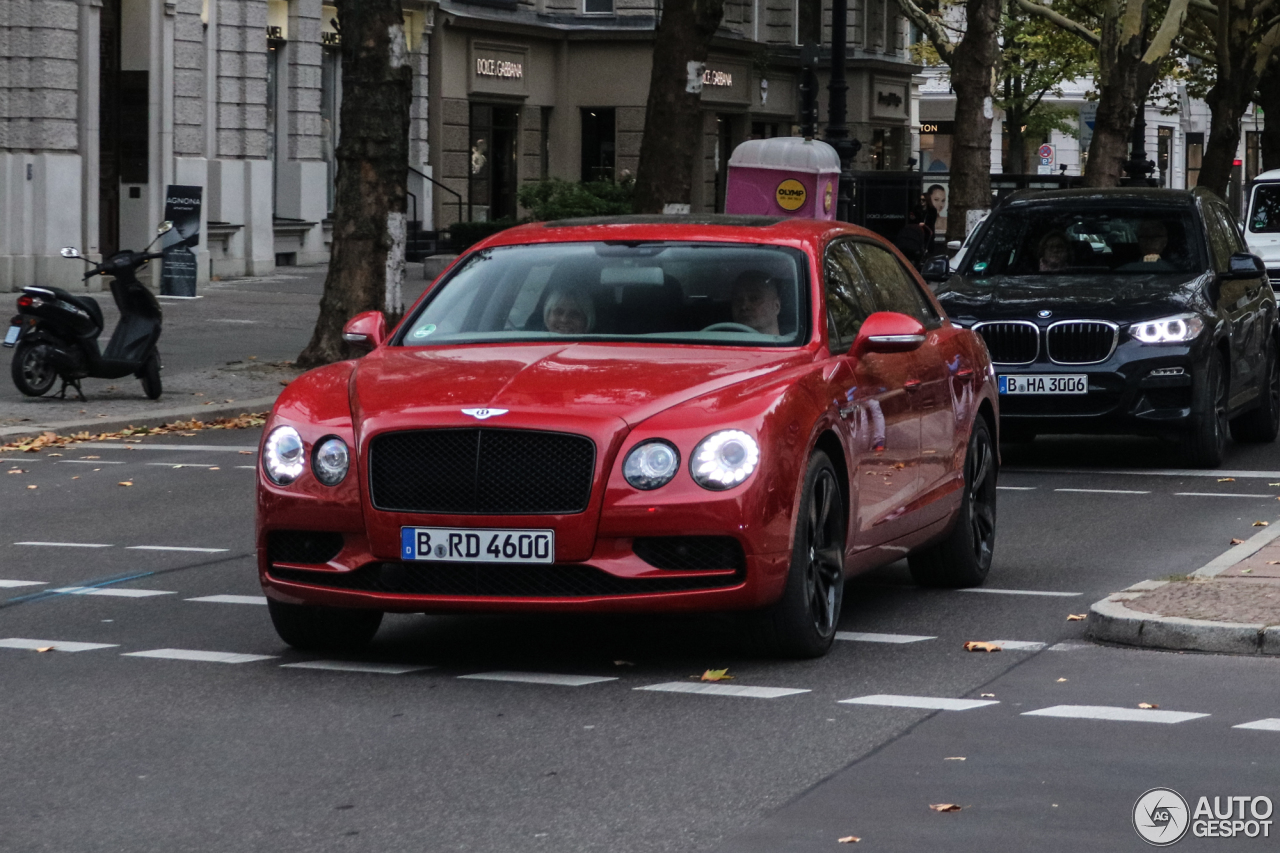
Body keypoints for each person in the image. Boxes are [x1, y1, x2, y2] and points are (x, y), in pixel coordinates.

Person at [729, 270, 782, 335]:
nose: (744, 306)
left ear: (776, 306)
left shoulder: (795, 343)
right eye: (738, 300)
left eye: (754, 299)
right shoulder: (719, 341)